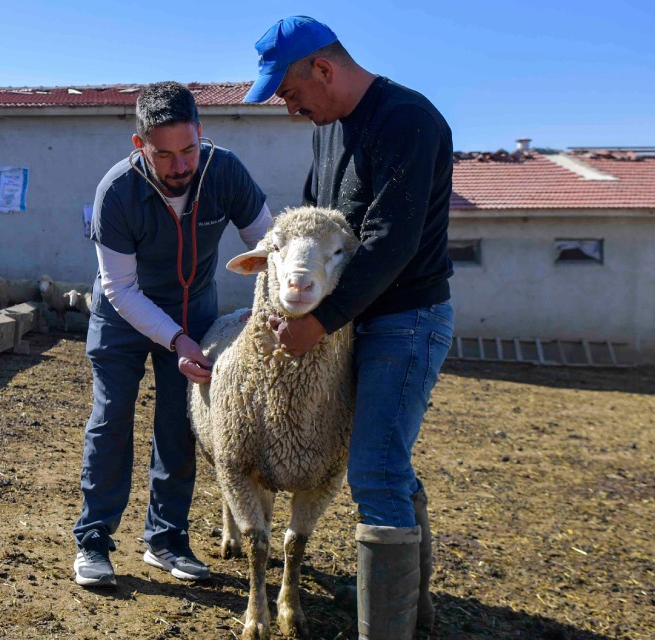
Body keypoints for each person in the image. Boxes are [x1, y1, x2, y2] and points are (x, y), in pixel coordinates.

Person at [243, 16, 455, 640]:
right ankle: (414, 615)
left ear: (323, 69)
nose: (290, 108)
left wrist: (324, 321)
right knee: (389, 464)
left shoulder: (408, 121)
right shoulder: (329, 132)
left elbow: (393, 240)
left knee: (374, 472)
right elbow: (317, 222)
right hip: (358, 320)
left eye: (288, 92)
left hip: (405, 320)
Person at [73, 81, 274, 588]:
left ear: (201, 135)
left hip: (195, 310)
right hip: (124, 315)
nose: (181, 165)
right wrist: (175, 340)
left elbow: (270, 247)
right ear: (140, 146)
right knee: (112, 418)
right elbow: (120, 288)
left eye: (189, 149)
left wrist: (269, 309)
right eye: (165, 154)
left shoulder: (224, 171)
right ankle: (94, 540)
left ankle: (165, 540)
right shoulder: (116, 192)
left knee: (180, 424)